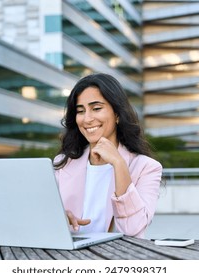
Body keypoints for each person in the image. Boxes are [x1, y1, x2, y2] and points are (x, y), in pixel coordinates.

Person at [53, 73, 162, 238]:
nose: (87, 119)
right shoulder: (63, 163)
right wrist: (59, 217)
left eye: (96, 108)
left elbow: (133, 229)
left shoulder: (147, 168)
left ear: (117, 114)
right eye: (80, 111)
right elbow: (40, 218)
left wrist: (118, 164)